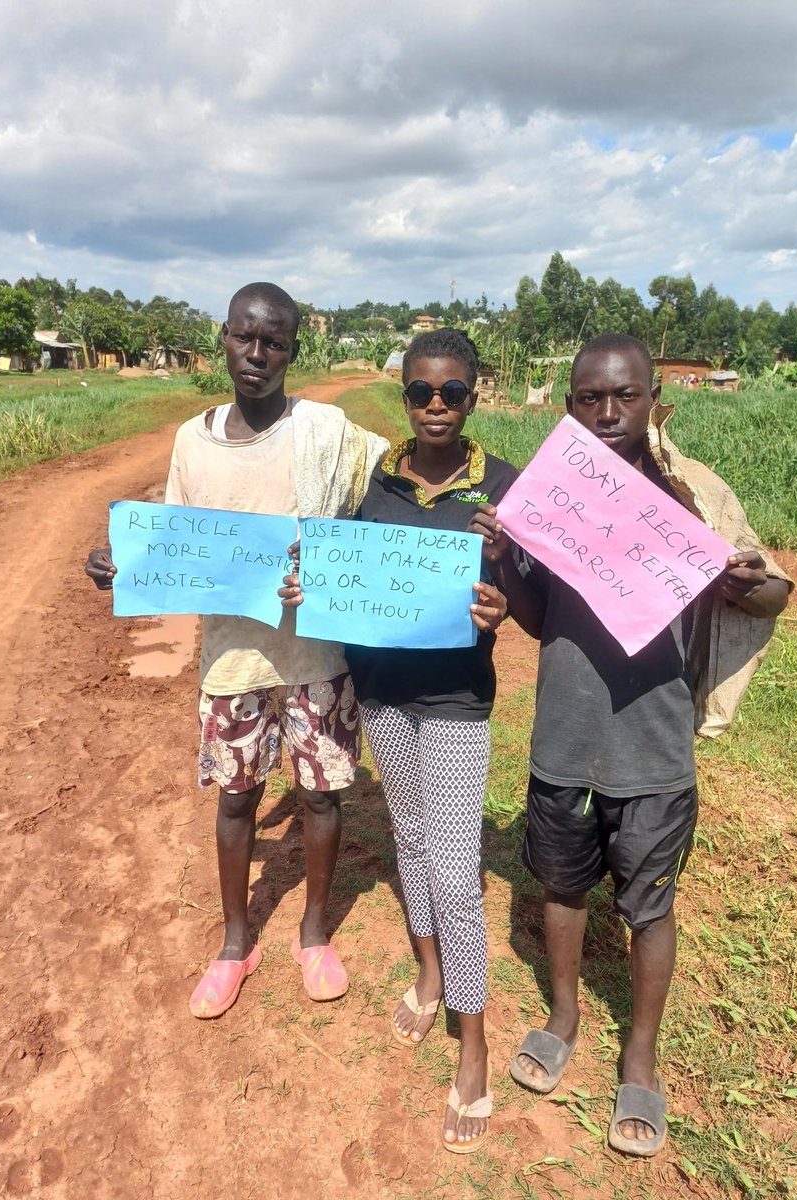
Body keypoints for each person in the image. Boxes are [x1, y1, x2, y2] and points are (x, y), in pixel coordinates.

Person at [471, 333, 791, 1158]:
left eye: (626, 395)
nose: (608, 412)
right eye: (589, 398)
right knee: (563, 886)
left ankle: (639, 1054)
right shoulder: (557, 501)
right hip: (563, 736)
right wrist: (508, 565)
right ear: (570, 404)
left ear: (656, 400)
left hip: (654, 746)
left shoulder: (691, 499)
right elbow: (541, 623)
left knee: (648, 906)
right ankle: (564, 1015)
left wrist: (748, 585)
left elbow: (772, 589)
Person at [85, 283, 388, 1017]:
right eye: (246, 337)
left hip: (318, 654)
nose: (259, 354)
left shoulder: (327, 432)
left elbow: (390, 490)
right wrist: (121, 561)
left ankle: (314, 934)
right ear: (223, 337)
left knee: (319, 794)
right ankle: (234, 942)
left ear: (293, 349)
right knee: (236, 797)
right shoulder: (194, 439)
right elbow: (173, 536)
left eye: (275, 341)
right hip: (232, 661)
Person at [283, 329, 517, 1153]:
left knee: (456, 872)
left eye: (453, 391)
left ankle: (475, 1039)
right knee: (410, 841)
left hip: (456, 699)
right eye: (422, 392)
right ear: (404, 397)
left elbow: (521, 589)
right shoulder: (375, 481)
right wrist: (307, 582)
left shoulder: (502, 489)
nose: (437, 407)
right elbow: (343, 566)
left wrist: (501, 597)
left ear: (475, 395)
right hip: (382, 692)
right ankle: (429, 972)